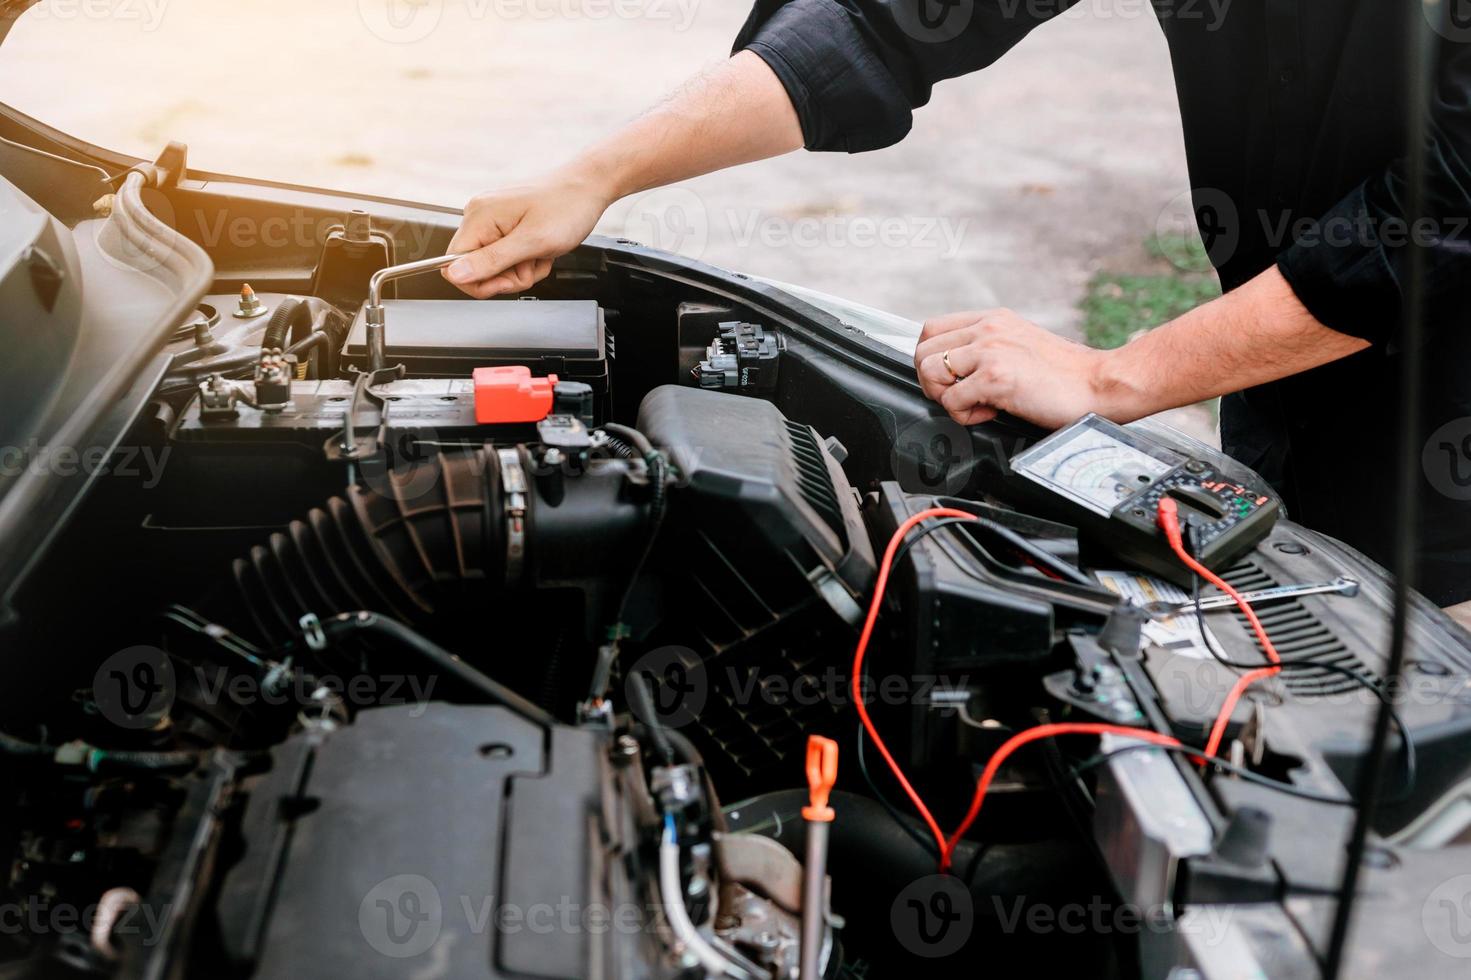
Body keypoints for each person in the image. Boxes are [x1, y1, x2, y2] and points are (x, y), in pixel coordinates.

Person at [443, 1, 1471, 613]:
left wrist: (1117, 377)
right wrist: (599, 173)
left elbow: (1441, 209)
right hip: (1289, 391)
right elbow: (879, 24)